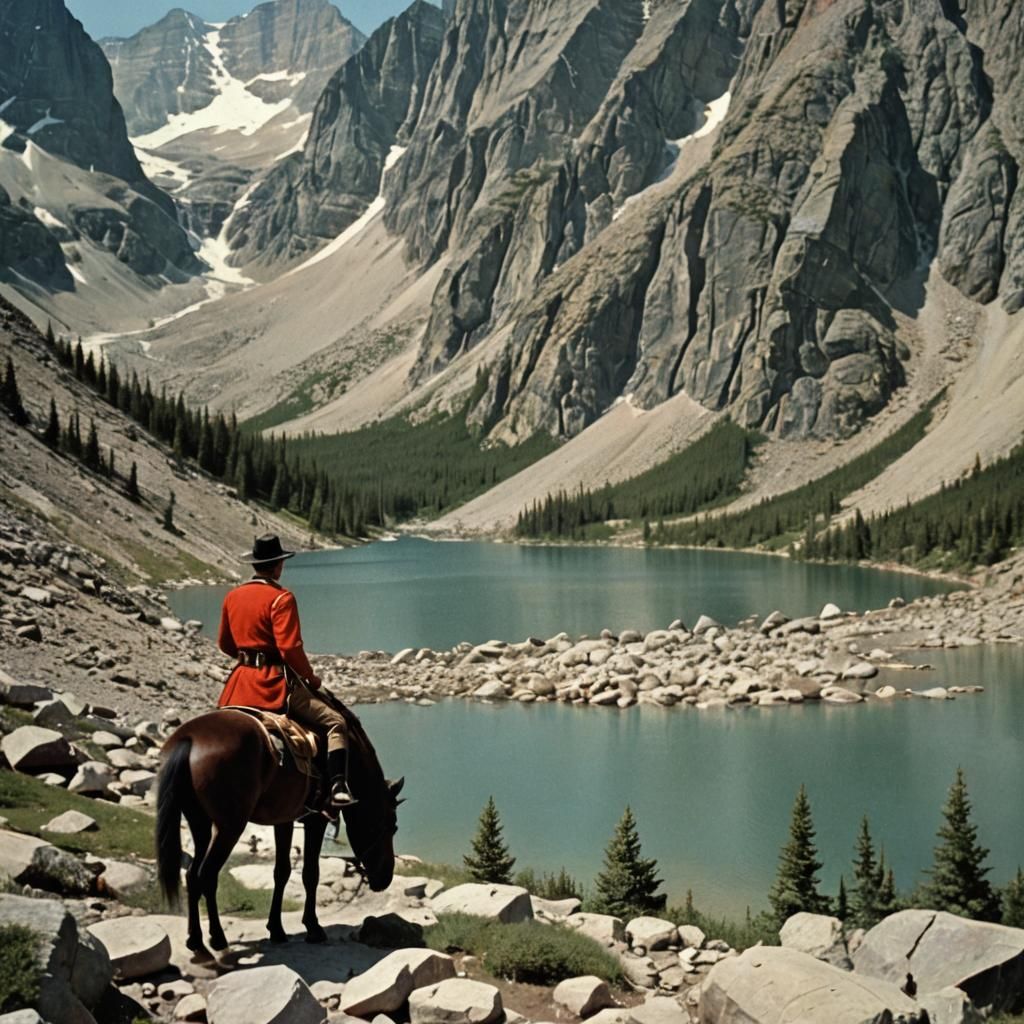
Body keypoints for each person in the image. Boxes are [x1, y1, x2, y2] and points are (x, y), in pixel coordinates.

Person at [217, 534, 355, 811]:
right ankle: (337, 787)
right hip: (272, 685)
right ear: (278, 565)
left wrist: (248, 660)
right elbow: (290, 648)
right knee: (335, 722)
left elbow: (224, 644)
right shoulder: (281, 598)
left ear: (256, 564)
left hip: (238, 685)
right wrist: (311, 679)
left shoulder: (233, 596)